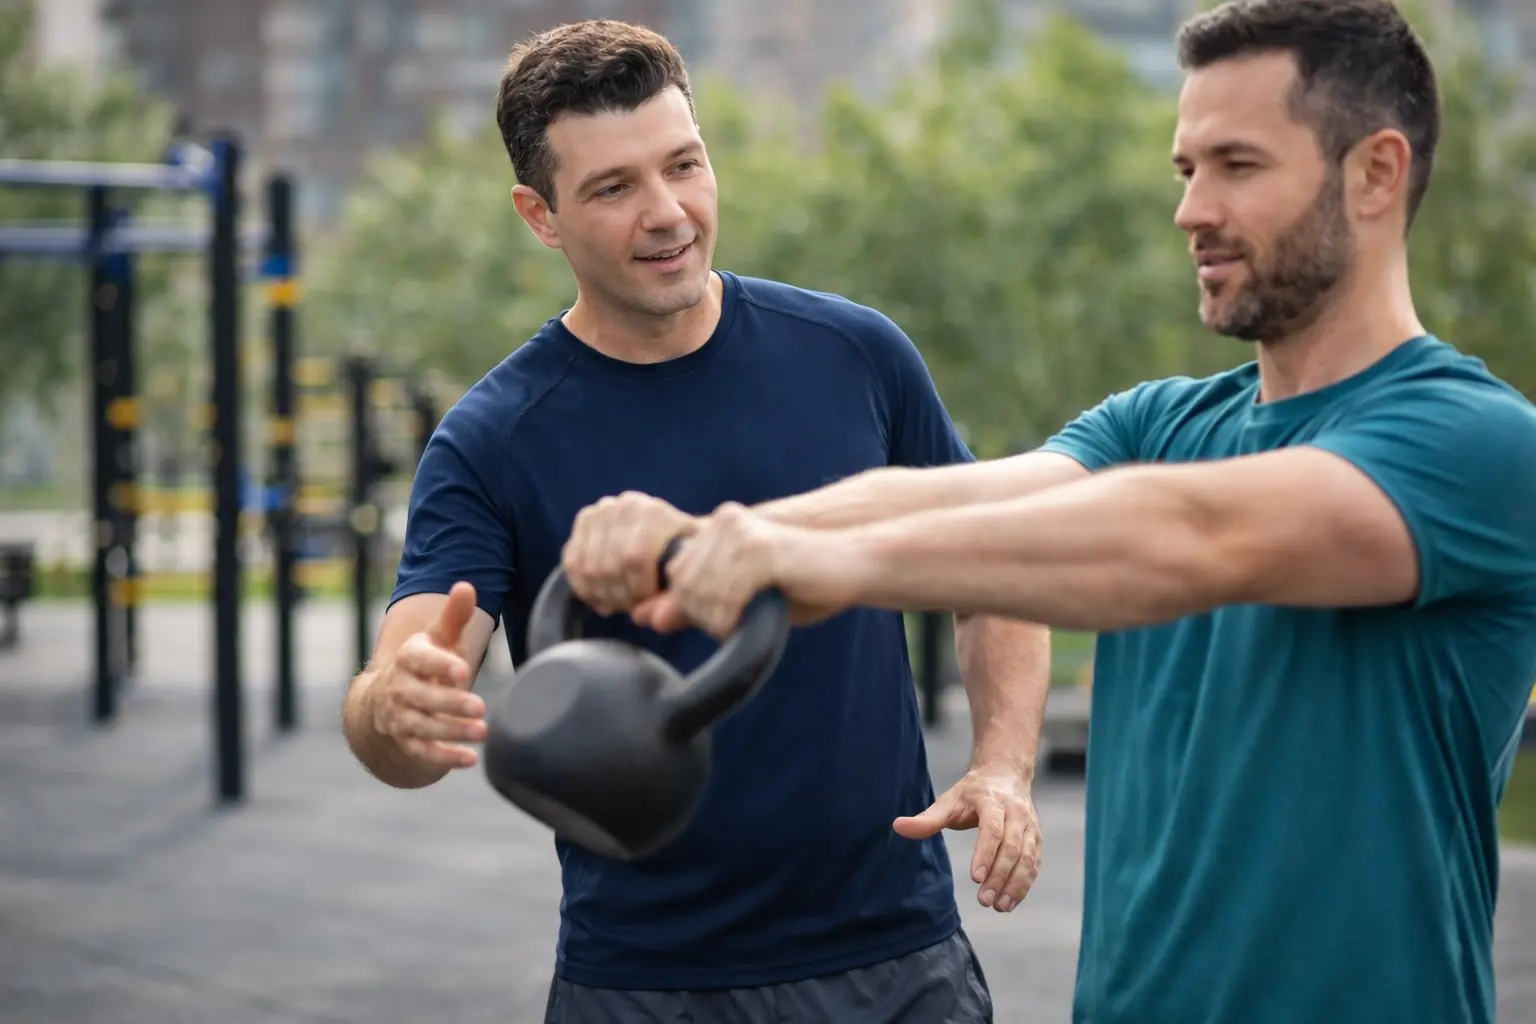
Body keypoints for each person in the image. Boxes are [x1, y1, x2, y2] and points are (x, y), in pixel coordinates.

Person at [567, 2, 1536, 1022]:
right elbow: (947, 496)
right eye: (1186, 169)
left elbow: (1189, 541)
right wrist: (714, 538)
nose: (1192, 210)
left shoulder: (1476, 444)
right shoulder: (1157, 423)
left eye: (1238, 167)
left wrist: (829, 569)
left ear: (1376, 173)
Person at [338, 18, 1051, 1024]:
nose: (667, 211)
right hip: (641, 981)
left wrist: (1004, 762)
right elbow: (398, 698)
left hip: (895, 958)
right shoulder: (491, 437)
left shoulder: (856, 356)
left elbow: (996, 567)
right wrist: (396, 706)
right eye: (614, 187)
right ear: (540, 216)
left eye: (684, 165)